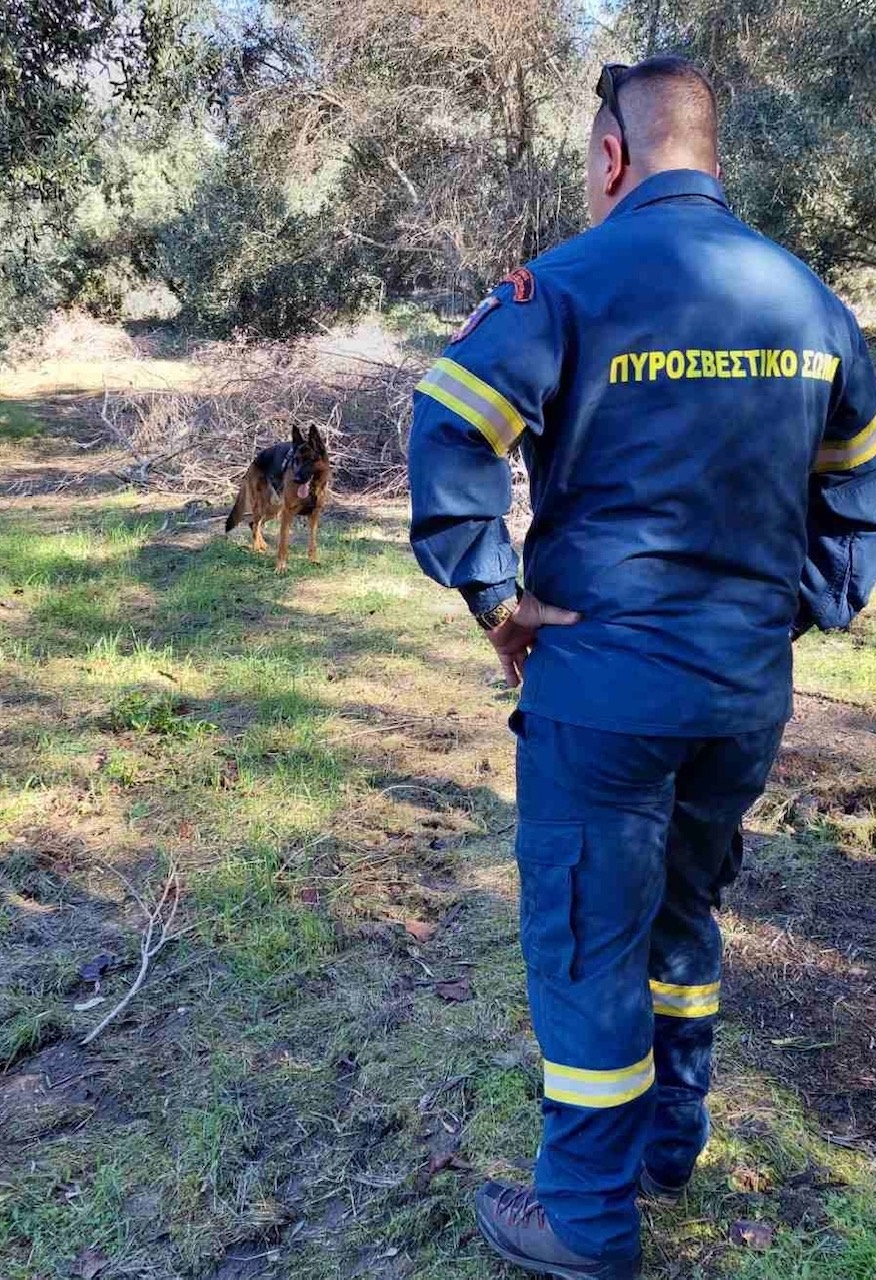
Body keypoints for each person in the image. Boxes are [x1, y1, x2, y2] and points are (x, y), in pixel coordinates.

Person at [407, 54, 876, 1280]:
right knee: (683, 913)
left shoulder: (564, 283)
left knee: (585, 944)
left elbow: (451, 416)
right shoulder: (813, 302)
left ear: (613, 153)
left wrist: (494, 594)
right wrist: (806, 605)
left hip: (603, 692)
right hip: (742, 695)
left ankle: (587, 1217)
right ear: (710, 150)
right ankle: (670, 1145)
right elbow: (860, 479)